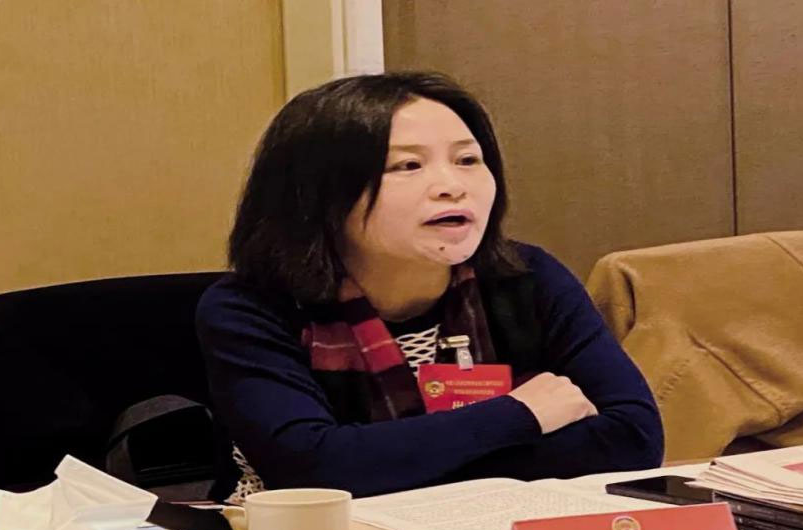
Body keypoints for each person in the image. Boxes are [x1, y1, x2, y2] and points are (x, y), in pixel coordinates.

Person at [196, 72, 663, 503]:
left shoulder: (527, 276)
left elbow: (634, 439)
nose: (452, 186)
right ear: (318, 192)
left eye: (467, 160)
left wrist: (396, 460)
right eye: (408, 165)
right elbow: (314, 470)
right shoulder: (250, 309)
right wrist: (520, 414)